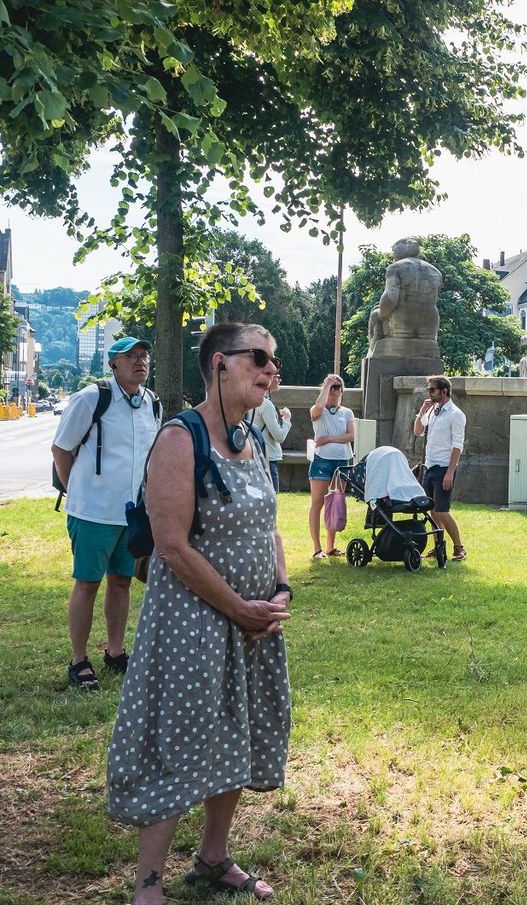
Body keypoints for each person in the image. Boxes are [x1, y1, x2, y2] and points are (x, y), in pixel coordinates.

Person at [107, 322, 291, 904]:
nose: (270, 370)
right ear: (218, 364)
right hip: (195, 626)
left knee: (237, 734)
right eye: (258, 358)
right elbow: (171, 546)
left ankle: (213, 857)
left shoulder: (253, 437)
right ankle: (148, 885)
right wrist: (239, 608)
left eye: (274, 362)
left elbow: (270, 525)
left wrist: (281, 588)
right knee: (176, 741)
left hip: (252, 626)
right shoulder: (180, 439)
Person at [50, 337, 161, 690]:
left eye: (143, 356)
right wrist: (77, 491)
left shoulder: (152, 404)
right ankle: (78, 660)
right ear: (113, 363)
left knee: (122, 581)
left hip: (132, 514)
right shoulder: (91, 398)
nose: (140, 362)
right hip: (93, 512)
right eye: (131, 357)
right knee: (87, 583)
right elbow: (61, 448)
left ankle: (115, 652)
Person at [412, 375, 468, 560]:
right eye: (428, 389)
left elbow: (457, 446)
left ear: (444, 391)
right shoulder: (432, 411)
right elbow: (418, 431)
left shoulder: (455, 414)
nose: (429, 393)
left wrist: (450, 472)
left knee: (442, 510)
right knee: (433, 510)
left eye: (432, 390)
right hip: (429, 466)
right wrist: (422, 411)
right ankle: (438, 547)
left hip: (444, 467)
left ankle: (459, 547)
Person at [307, 373, 355, 558]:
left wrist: (329, 439)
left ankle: (330, 546)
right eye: (331, 387)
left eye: (337, 387)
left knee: (334, 502)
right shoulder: (318, 410)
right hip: (322, 462)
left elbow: (350, 436)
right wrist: (326, 385)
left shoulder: (347, 412)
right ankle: (317, 548)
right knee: (317, 503)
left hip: (342, 462)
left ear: (342, 390)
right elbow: (319, 407)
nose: (334, 391)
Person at [248, 371, 291, 492]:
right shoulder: (266, 404)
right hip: (268, 458)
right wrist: (287, 419)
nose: (280, 380)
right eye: (277, 377)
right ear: (268, 379)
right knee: (271, 499)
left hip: (254, 454)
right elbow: (279, 436)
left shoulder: (252, 400)